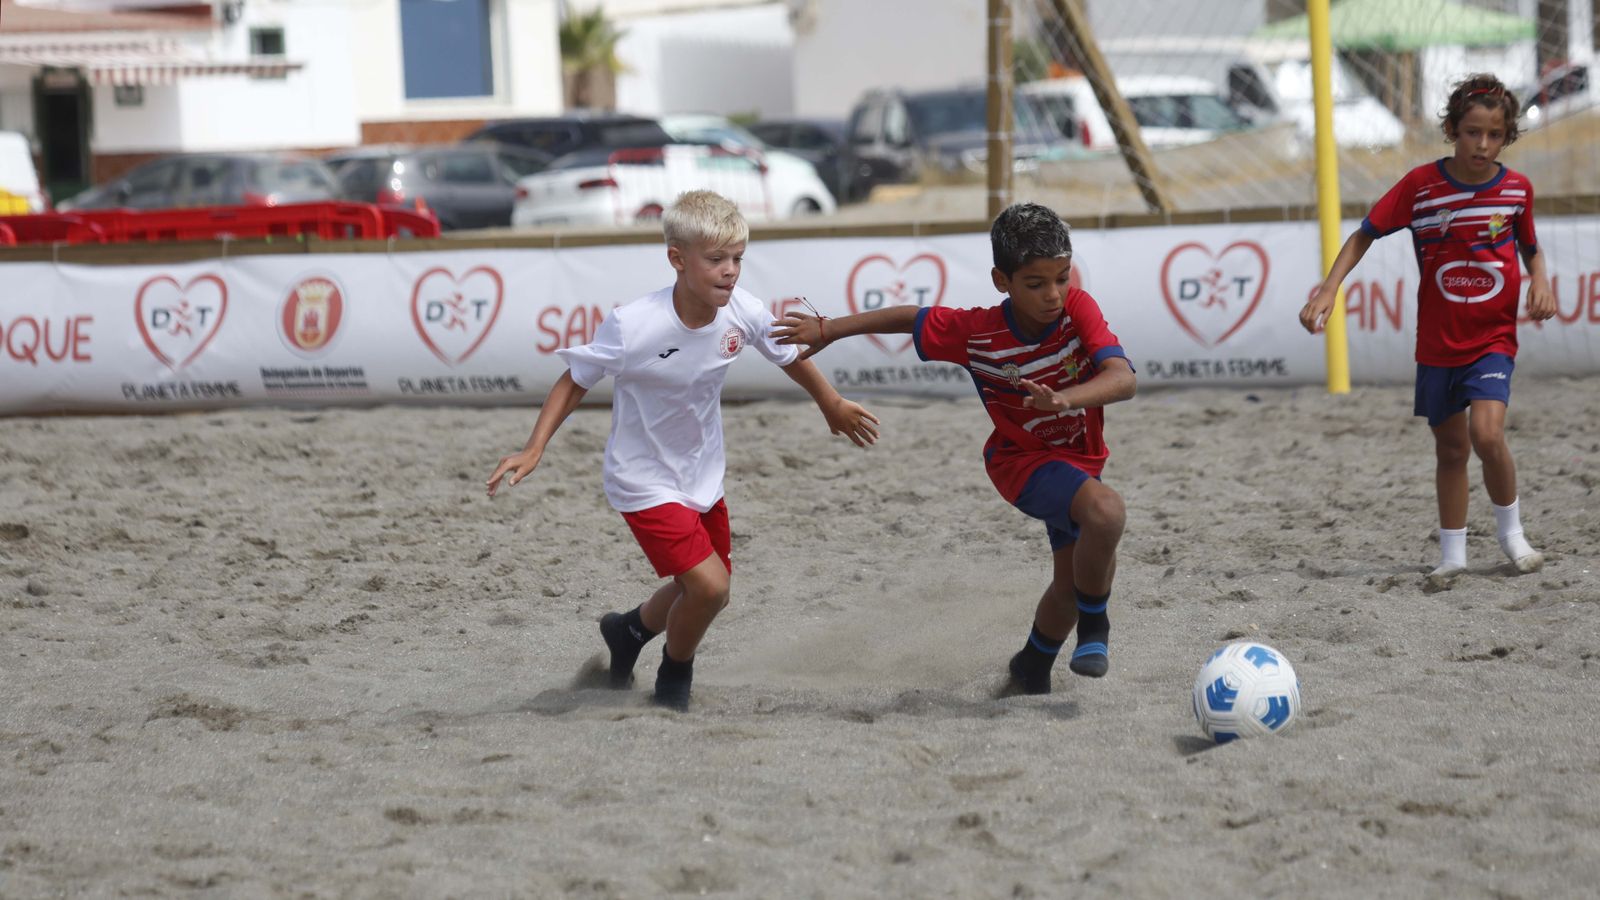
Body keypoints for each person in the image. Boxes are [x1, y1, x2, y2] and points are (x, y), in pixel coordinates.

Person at [486, 190, 879, 711]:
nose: (730, 271)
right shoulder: (634, 324)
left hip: (703, 473)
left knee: (705, 589)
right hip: (641, 479)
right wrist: (535, 447)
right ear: (677, 258)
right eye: (715, 259)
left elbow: (788, 355)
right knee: (710, 590)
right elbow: (576, 378)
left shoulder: (742, 310)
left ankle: (628, 632)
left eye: (737, 258)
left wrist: (830, 403)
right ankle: (674, 675)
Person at [772, 202, 1136, 695]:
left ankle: (1030, 668)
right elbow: (911, 317)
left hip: (1081, 460)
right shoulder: (979, 332)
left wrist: (1065, 399)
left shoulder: (1078, 308)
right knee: (1107, 512)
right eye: (1036, 283)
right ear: (1001, 281)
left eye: (1062, 278)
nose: (1053, 294)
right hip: (1021, 462)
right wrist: (830, 328)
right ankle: (1096, 629)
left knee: (1072, 584)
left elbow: (1123, 379)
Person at [1300, 73, 1556, 579]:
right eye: (1472, 132)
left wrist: (1540, 282)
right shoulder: (1421, 186)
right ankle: (1452, 556)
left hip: (1492, 339)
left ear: (1507, 138)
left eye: (1495, 135)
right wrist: (1329, 288)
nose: (1482, 144)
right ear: (1452, 130)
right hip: (1438, 344)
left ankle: (1512, 536)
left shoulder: (1516, 190)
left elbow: (1531, 248)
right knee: (1452, 448)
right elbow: (1365, 233)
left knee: (1486, 435)